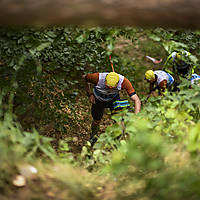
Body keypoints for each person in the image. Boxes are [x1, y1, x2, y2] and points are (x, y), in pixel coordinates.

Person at [82, 71, 141, 146]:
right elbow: (84, 78)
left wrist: (136, 116)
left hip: (114, 100)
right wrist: (89, 94)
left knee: (119, 120)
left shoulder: (124, 82)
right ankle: (93, 136)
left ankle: (118, 140)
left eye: (112, 87)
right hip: (98, 99)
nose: (109, 88)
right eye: (107, 86)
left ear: (117, 83)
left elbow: (136, 100)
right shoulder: (96, 77)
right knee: (96, 121)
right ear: (105, 81)